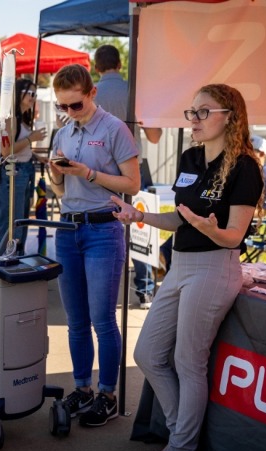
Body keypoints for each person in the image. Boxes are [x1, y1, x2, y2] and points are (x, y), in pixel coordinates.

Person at [111, 83, 263, 451]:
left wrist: (205, 227)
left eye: (203, 112)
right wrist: (139, 217)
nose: (193, 120)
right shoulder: (191, 157)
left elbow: (233, 236)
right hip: (180, 265)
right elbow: (178, 219)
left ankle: (181, 448)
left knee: (187, 361)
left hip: (215, 267)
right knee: (147, 353)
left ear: (230, 117)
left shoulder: (245, 167)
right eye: (191, 112)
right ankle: (182, 434)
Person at [47, 63, 141, 427]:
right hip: (69, 228)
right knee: (75, 321)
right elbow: (60, 190)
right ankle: (82, 388)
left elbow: (132, 184)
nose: (69, 113)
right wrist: (56, 174)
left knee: (102, 319)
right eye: (63, 107)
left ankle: (107, 394)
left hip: (103, 229)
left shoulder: (115, 129)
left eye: (76, 106)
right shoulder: (64, 132)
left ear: (92, 94)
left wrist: (86, 172)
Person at [93, 44, 162, 309]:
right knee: (139, 227)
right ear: (120, 65)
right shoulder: (135, 93)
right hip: (134, 166)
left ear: (97, 67)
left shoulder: (93, 94)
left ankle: (104, 288)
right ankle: (144, 290)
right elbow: (155, 136)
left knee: (103, 228)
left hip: (101, 171)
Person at [0, 78, 47, 255]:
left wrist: (35, 155)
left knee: (21, 222)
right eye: (29, 93)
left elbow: (18, 150)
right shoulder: (10, 118)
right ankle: (5, 263)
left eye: (35, 93)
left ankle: (15, 261)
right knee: (11, 224)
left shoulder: (23, 117)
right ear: (19, 93)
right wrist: (32, 138)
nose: (33, 97)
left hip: (24, 171)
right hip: (13, 174)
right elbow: (6, 151)